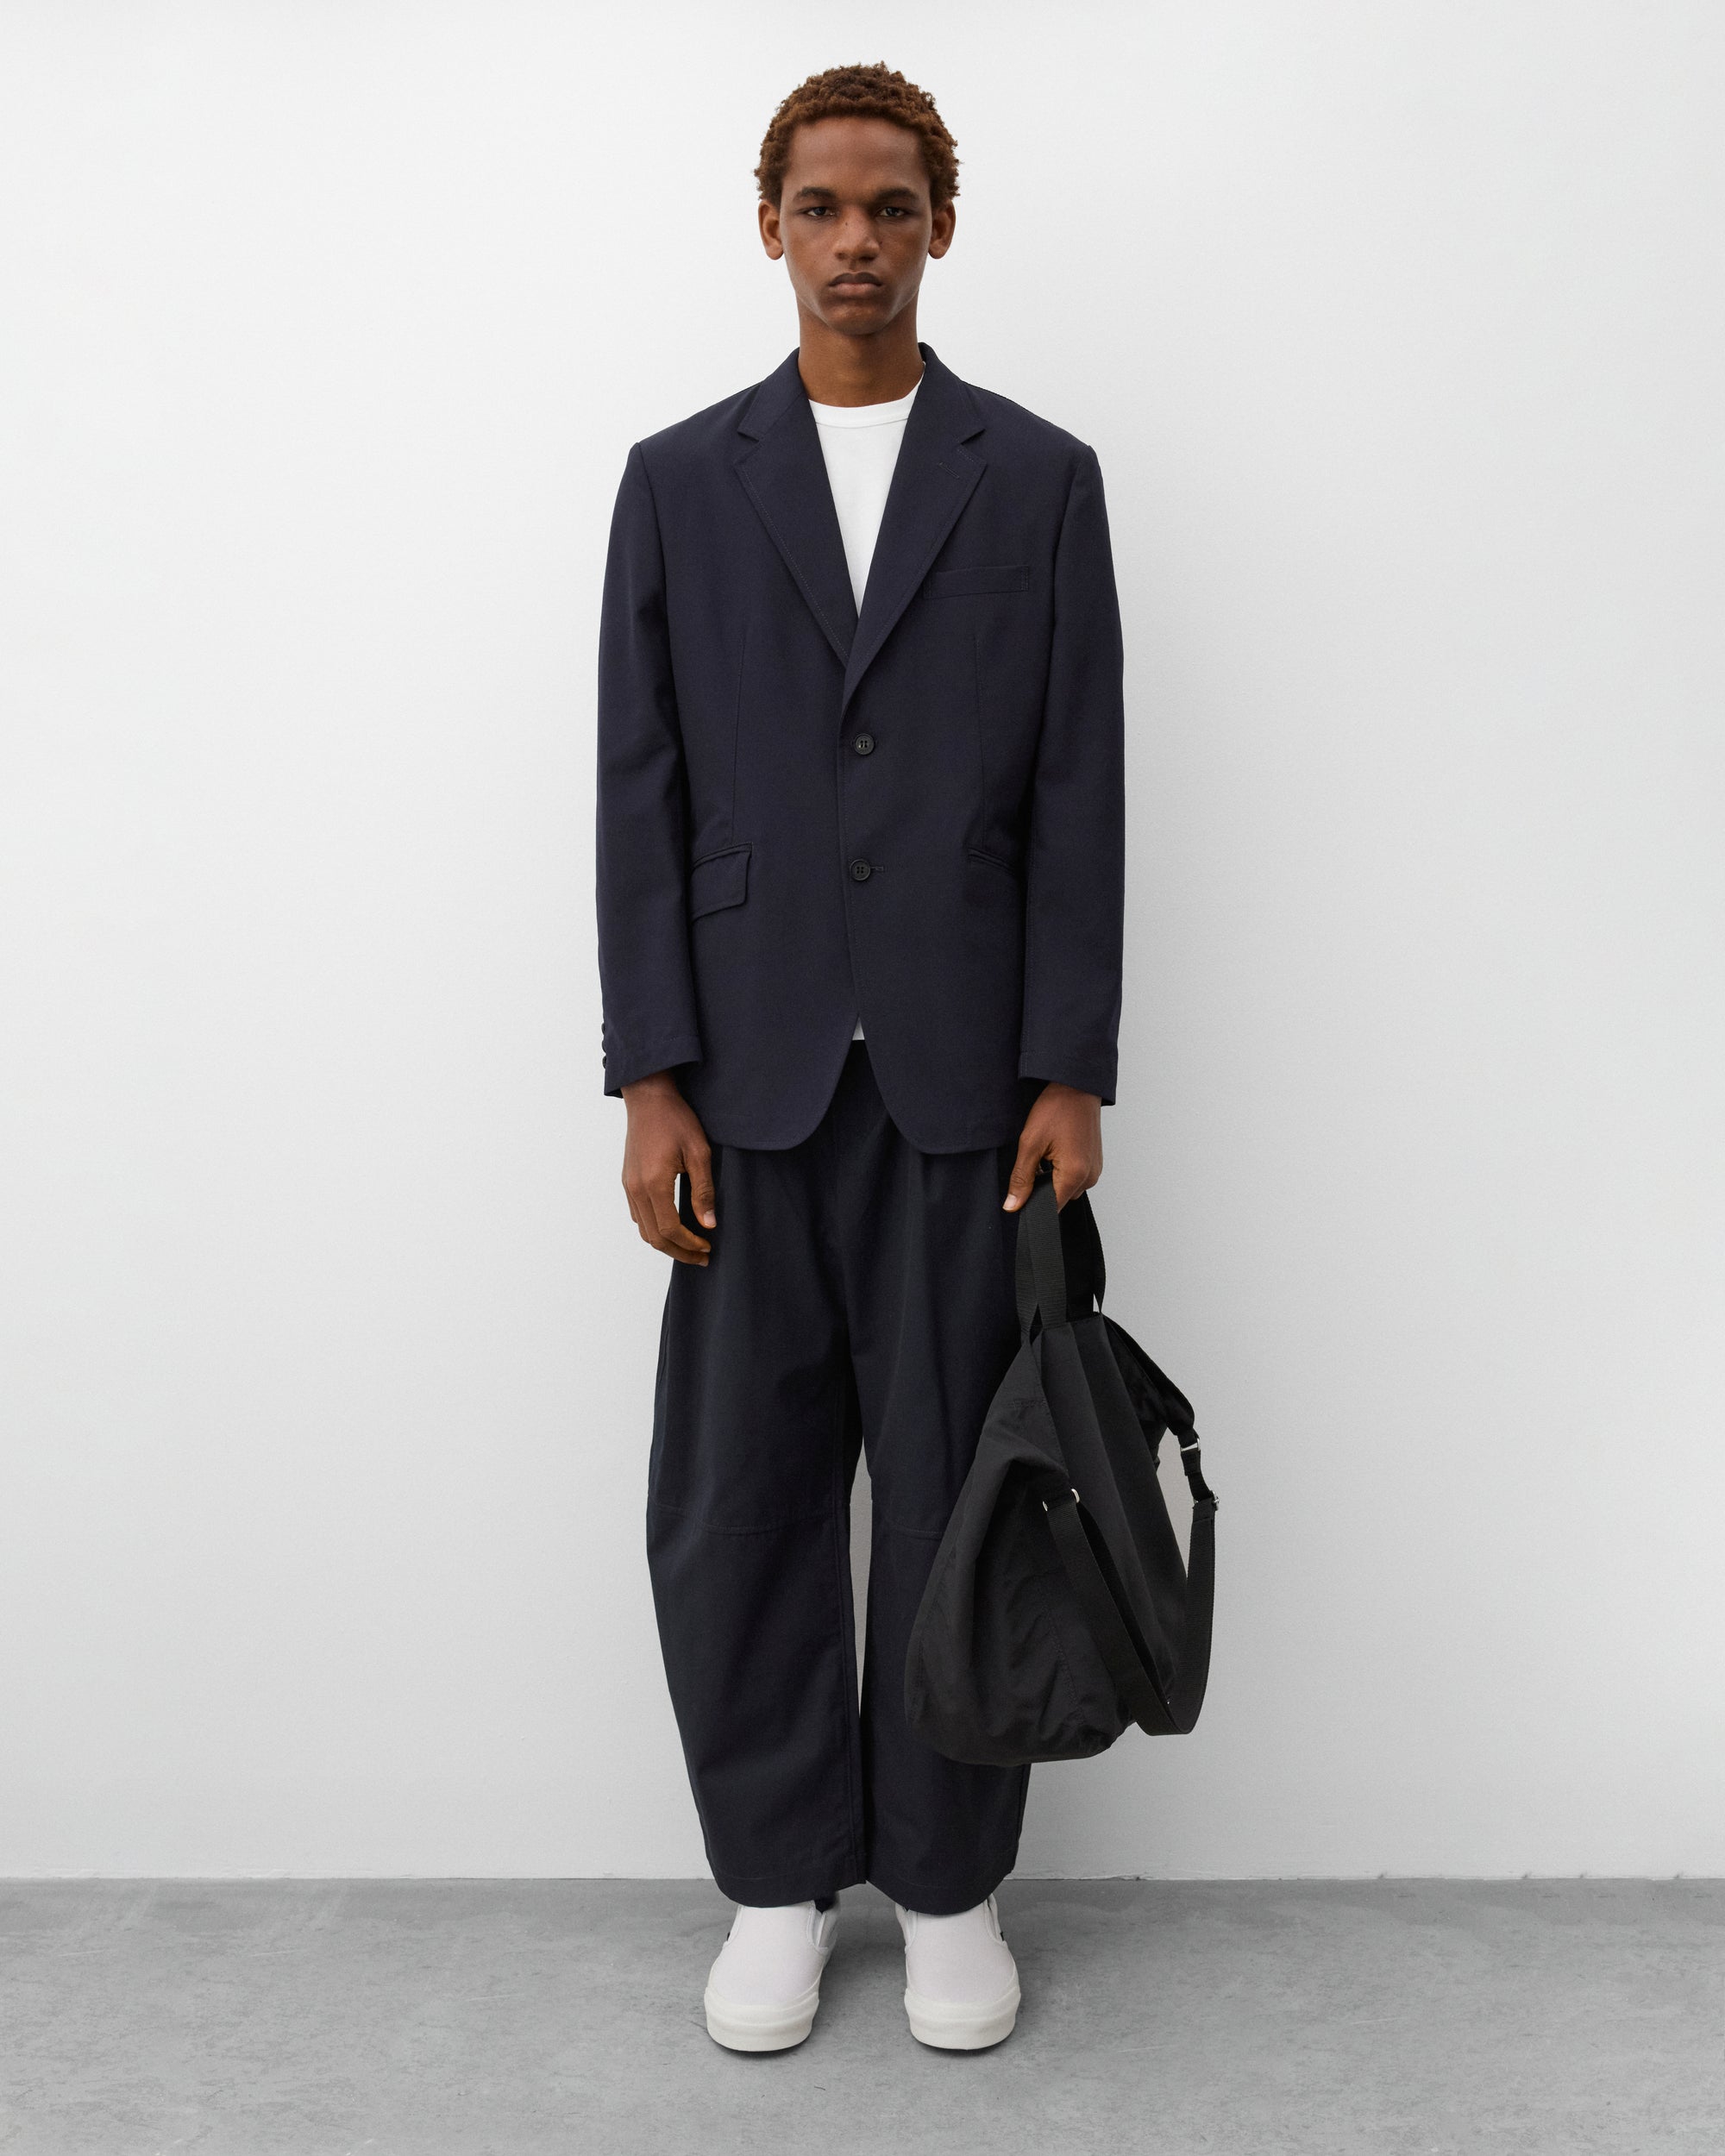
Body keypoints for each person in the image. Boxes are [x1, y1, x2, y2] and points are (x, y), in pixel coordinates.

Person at [595, 61, 1125, 2053]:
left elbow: (1078, 788)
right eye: (819, 206)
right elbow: (635, 790)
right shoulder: (678, 479)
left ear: (938, 228)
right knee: (737, 1498)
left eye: (890, 206)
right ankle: (773, 1879)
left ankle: (950, 1881)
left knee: (956, 1489)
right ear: (770, 227)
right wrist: (650, 1072)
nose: (854, 242)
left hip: (964, 1080)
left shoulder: (1036, 477)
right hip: (743, 1078)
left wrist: (1068, 1062)